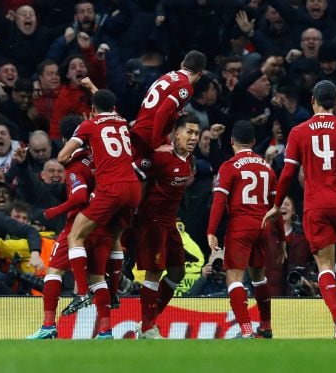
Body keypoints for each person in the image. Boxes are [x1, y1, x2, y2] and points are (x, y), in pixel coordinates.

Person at [262, 80, 336, 339]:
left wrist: (275, 203)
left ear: (313, 101)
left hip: (316, 205)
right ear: (335, 103)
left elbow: (288, 173)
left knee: (324, 266)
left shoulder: (299, 132)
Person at [57, 87, 141, 339]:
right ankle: (114, 291)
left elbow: (62, 157)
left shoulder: (89, 126)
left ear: (92, 109)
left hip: (111, 189)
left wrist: (75, 154)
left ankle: (82, 292)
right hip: (134, 189)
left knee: (76, 236)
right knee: (114, 238)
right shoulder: (123, 122)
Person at [27, 115, 112, 340]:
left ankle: (48, 326)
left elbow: (80, 196)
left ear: (67, 139)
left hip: (79, 224)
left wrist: (52, 212)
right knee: (98, 278)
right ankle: (105, 331)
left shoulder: (74, 165)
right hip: (104, 225)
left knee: (53, 273)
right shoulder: (101, 158)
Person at [207, 120, 283, 339]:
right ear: (254, 142)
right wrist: (282, 239)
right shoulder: (267, 167)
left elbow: (219, 201)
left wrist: (211, 231)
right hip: (263, 227)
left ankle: (247, 329)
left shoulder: (229, 166)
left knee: (235, 279)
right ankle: (266, 326)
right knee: (259, 277)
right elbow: (274, 205)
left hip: (240, 227)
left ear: (232, 142)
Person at [134, 114, 200, 339]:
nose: (193, 137)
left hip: (170, 222)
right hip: (152, 221)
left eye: (196, 133)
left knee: (177, 272)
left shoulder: (189, 159)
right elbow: (136, 175)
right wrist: (134, 213)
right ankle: (147, 327)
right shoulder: (161, 157)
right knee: (154, 272)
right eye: (189, 132)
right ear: (176, 134)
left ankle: (147, 321)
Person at [130, 51, 206, 178]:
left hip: (140, 130)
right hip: (149, 136)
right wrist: (156, 145)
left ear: (182, 64)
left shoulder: (168, 76)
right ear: (201, 73)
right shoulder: (185, 86)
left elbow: (157, 108)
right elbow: (162, 113)